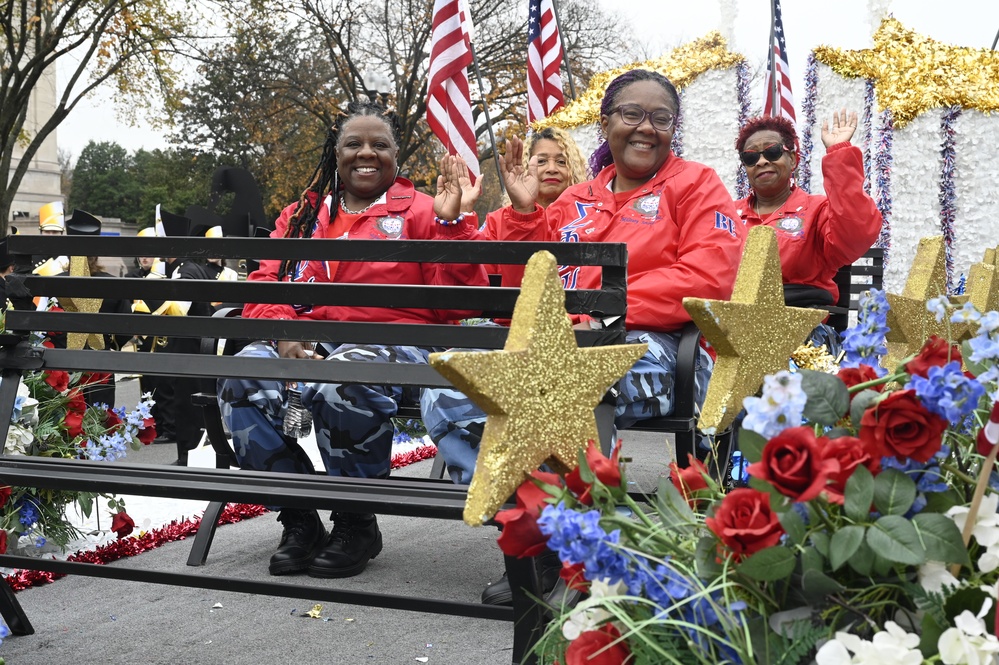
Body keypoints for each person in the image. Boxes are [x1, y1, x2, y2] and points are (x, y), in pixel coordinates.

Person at [421, 68, 746, 605]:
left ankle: (565, 553)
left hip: (659, 348)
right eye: (631, 114)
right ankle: (540, 539)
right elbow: (529, 281)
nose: (646, 128)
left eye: (660, 117)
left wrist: (607, 314)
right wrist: (526, 214)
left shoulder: (697, 185)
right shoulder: (574, 200)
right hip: (562, 349)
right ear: (605, 124)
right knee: (450, 395)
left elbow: (709, 277)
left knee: (564, 395)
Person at [216, 100, 488, 579]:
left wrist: (453, 227)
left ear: (396, 155)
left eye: (379, 144)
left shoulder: (424, 210)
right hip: (306, 340)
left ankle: (355, 521)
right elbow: (264, 284)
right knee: (241, 374)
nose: (366, 153)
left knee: (343, 374)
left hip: (397, 349)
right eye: (353, 144)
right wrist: (286, 332)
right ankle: (300, 519)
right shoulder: (302, 216)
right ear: (335, 152)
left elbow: (462, 302)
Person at [424, 126, 590, 485]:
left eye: (561, 160)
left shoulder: (587, 217)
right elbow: (469, 288)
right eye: (541, 160)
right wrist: (456, 221)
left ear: (574, 168)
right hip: (503, 334)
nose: (551, 167)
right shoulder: (500, 220)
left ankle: (514, 493)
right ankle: (506, 490)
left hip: (562, 339)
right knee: (443, 377)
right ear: (524, 168)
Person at [733, 110, 883, 354]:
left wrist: (839, 155)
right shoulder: (727, 214)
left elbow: (857, 231)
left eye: (772, 152)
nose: (761, 161)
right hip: (731, 331)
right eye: (750, 157)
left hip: (800, 336)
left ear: (793, 158)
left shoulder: (817, 209)